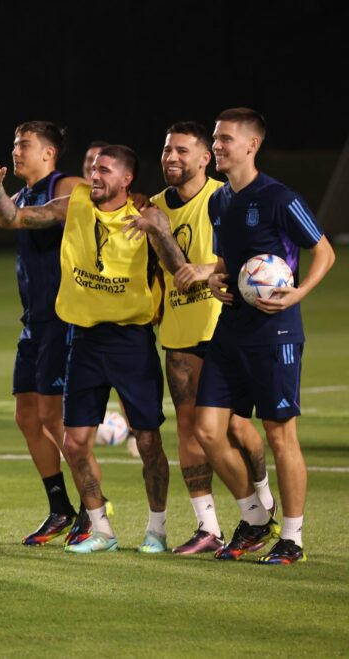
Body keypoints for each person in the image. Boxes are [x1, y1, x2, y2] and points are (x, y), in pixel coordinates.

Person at [0, 145, 186, 553]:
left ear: (126, 179)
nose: (95, 175)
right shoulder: (73, 204)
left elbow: (178, 269)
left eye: (105, 170)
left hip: (131, 341)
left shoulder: (146, 214)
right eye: (93, 168)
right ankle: (101, 529)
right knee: (75, 442)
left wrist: (159, 231)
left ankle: (157, 529)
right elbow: (13, 217)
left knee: (148, 441)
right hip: (84, 341)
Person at [175, 108, 335, 564]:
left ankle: (293, 538)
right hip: (230, 330)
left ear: (252, 145)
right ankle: (255, 518)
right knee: (207, 430)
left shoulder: (280, 198)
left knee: (279, 435)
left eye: (226, 139)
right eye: (215, 138)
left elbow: (324, 252)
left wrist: (298, 292)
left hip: (275, 331)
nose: (218, 146)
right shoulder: (219, 201)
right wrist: (214, 279)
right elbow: (227, 264)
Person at [145, 122, 274, 555]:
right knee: (189, 428)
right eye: (167, 150)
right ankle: (208, 527)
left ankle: (263, 499)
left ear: (205, 159)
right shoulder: (154, 207)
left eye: (182, 151)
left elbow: (239, 261)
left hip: (223, 328)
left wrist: (205, 268)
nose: (171, 157)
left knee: (235, 426)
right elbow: (168, 273)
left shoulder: (225, 198)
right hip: (180, 332)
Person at [0, 121, 87, 546]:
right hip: (34, 322)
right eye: (14, 144)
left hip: (62, 319)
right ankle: (60, 508)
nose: (15, 151)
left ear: (49, 153)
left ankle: (93, 508)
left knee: (53, 416)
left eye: (24, 145)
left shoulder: (67, 186)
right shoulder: (24, 194)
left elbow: (10, 219)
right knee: (27, 416)